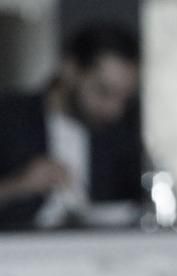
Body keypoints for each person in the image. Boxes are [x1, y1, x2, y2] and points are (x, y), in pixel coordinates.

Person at [0, 25, 144, 229]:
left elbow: (138, 205)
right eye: (103, 91)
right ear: (70, 69)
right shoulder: (9, 117)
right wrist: (18, 185)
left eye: (124, 98)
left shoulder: (122, 132)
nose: (115, 110)